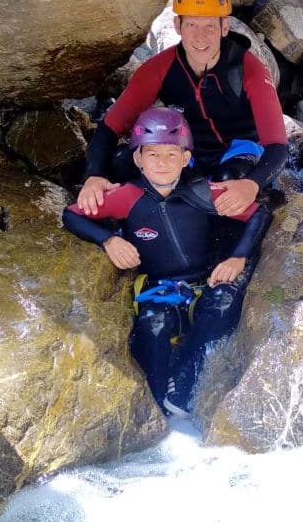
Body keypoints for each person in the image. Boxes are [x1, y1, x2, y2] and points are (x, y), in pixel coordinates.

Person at [63, 107, 271, 417]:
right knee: (153, 327)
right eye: (153, 155)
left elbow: (258, 213)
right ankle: (159, 397)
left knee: (226, 299)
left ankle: (189, 365)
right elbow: (72, 214)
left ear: (186, 158)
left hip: (204, 282)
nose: (162, 163)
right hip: (159, 289)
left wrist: (237, 257)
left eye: (172, 154)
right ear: (138, 159)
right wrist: (108, 240)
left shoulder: (204, 192)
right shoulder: (126, 196)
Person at [76, 0, 288, 220]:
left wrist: (252, 185)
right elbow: (111, 126)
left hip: (239, 150)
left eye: (210, 25)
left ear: (224, 27)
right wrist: (94, 176)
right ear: (177, 26)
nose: (200, 37)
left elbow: (277, 145)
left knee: (228, 181)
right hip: (187, 154)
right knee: (123, 163)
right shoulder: (159, 69)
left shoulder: (249, 70)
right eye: (191, 25)